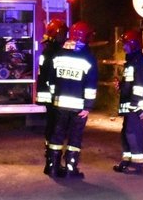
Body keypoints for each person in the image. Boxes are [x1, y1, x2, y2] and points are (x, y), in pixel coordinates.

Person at [45, 21, 98, 178]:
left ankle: (53, 167)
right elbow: (90, 85)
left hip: (59, 104)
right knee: (75, 137)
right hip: (78, 107)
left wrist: (54, 98)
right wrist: (88, 107)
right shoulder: (88, 58)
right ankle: (70, 169)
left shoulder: (59, 55)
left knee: (57, 135)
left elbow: (51, 80)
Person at [112, 29, 143, 174]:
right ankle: (127, 161)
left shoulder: (138, 62)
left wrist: (134, 103)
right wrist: (122, 86)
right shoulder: (133, 61)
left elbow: (140, 86)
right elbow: (132, 83)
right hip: (132, 105)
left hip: (137, 106)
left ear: (133, 44)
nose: (124, 47)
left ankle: (137, 165)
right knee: (127, 132)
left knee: (133, 133)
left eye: (126, 44)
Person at [36, 18, 69, 174]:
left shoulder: (48, 50)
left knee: (51, 127)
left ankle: (50, 160)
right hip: (54, 97)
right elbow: (53, 76)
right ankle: (53, 164)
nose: (65, 37)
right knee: (56, 129)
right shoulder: (54, 52)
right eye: (63, 34)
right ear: (57, 35)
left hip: (49, 96)